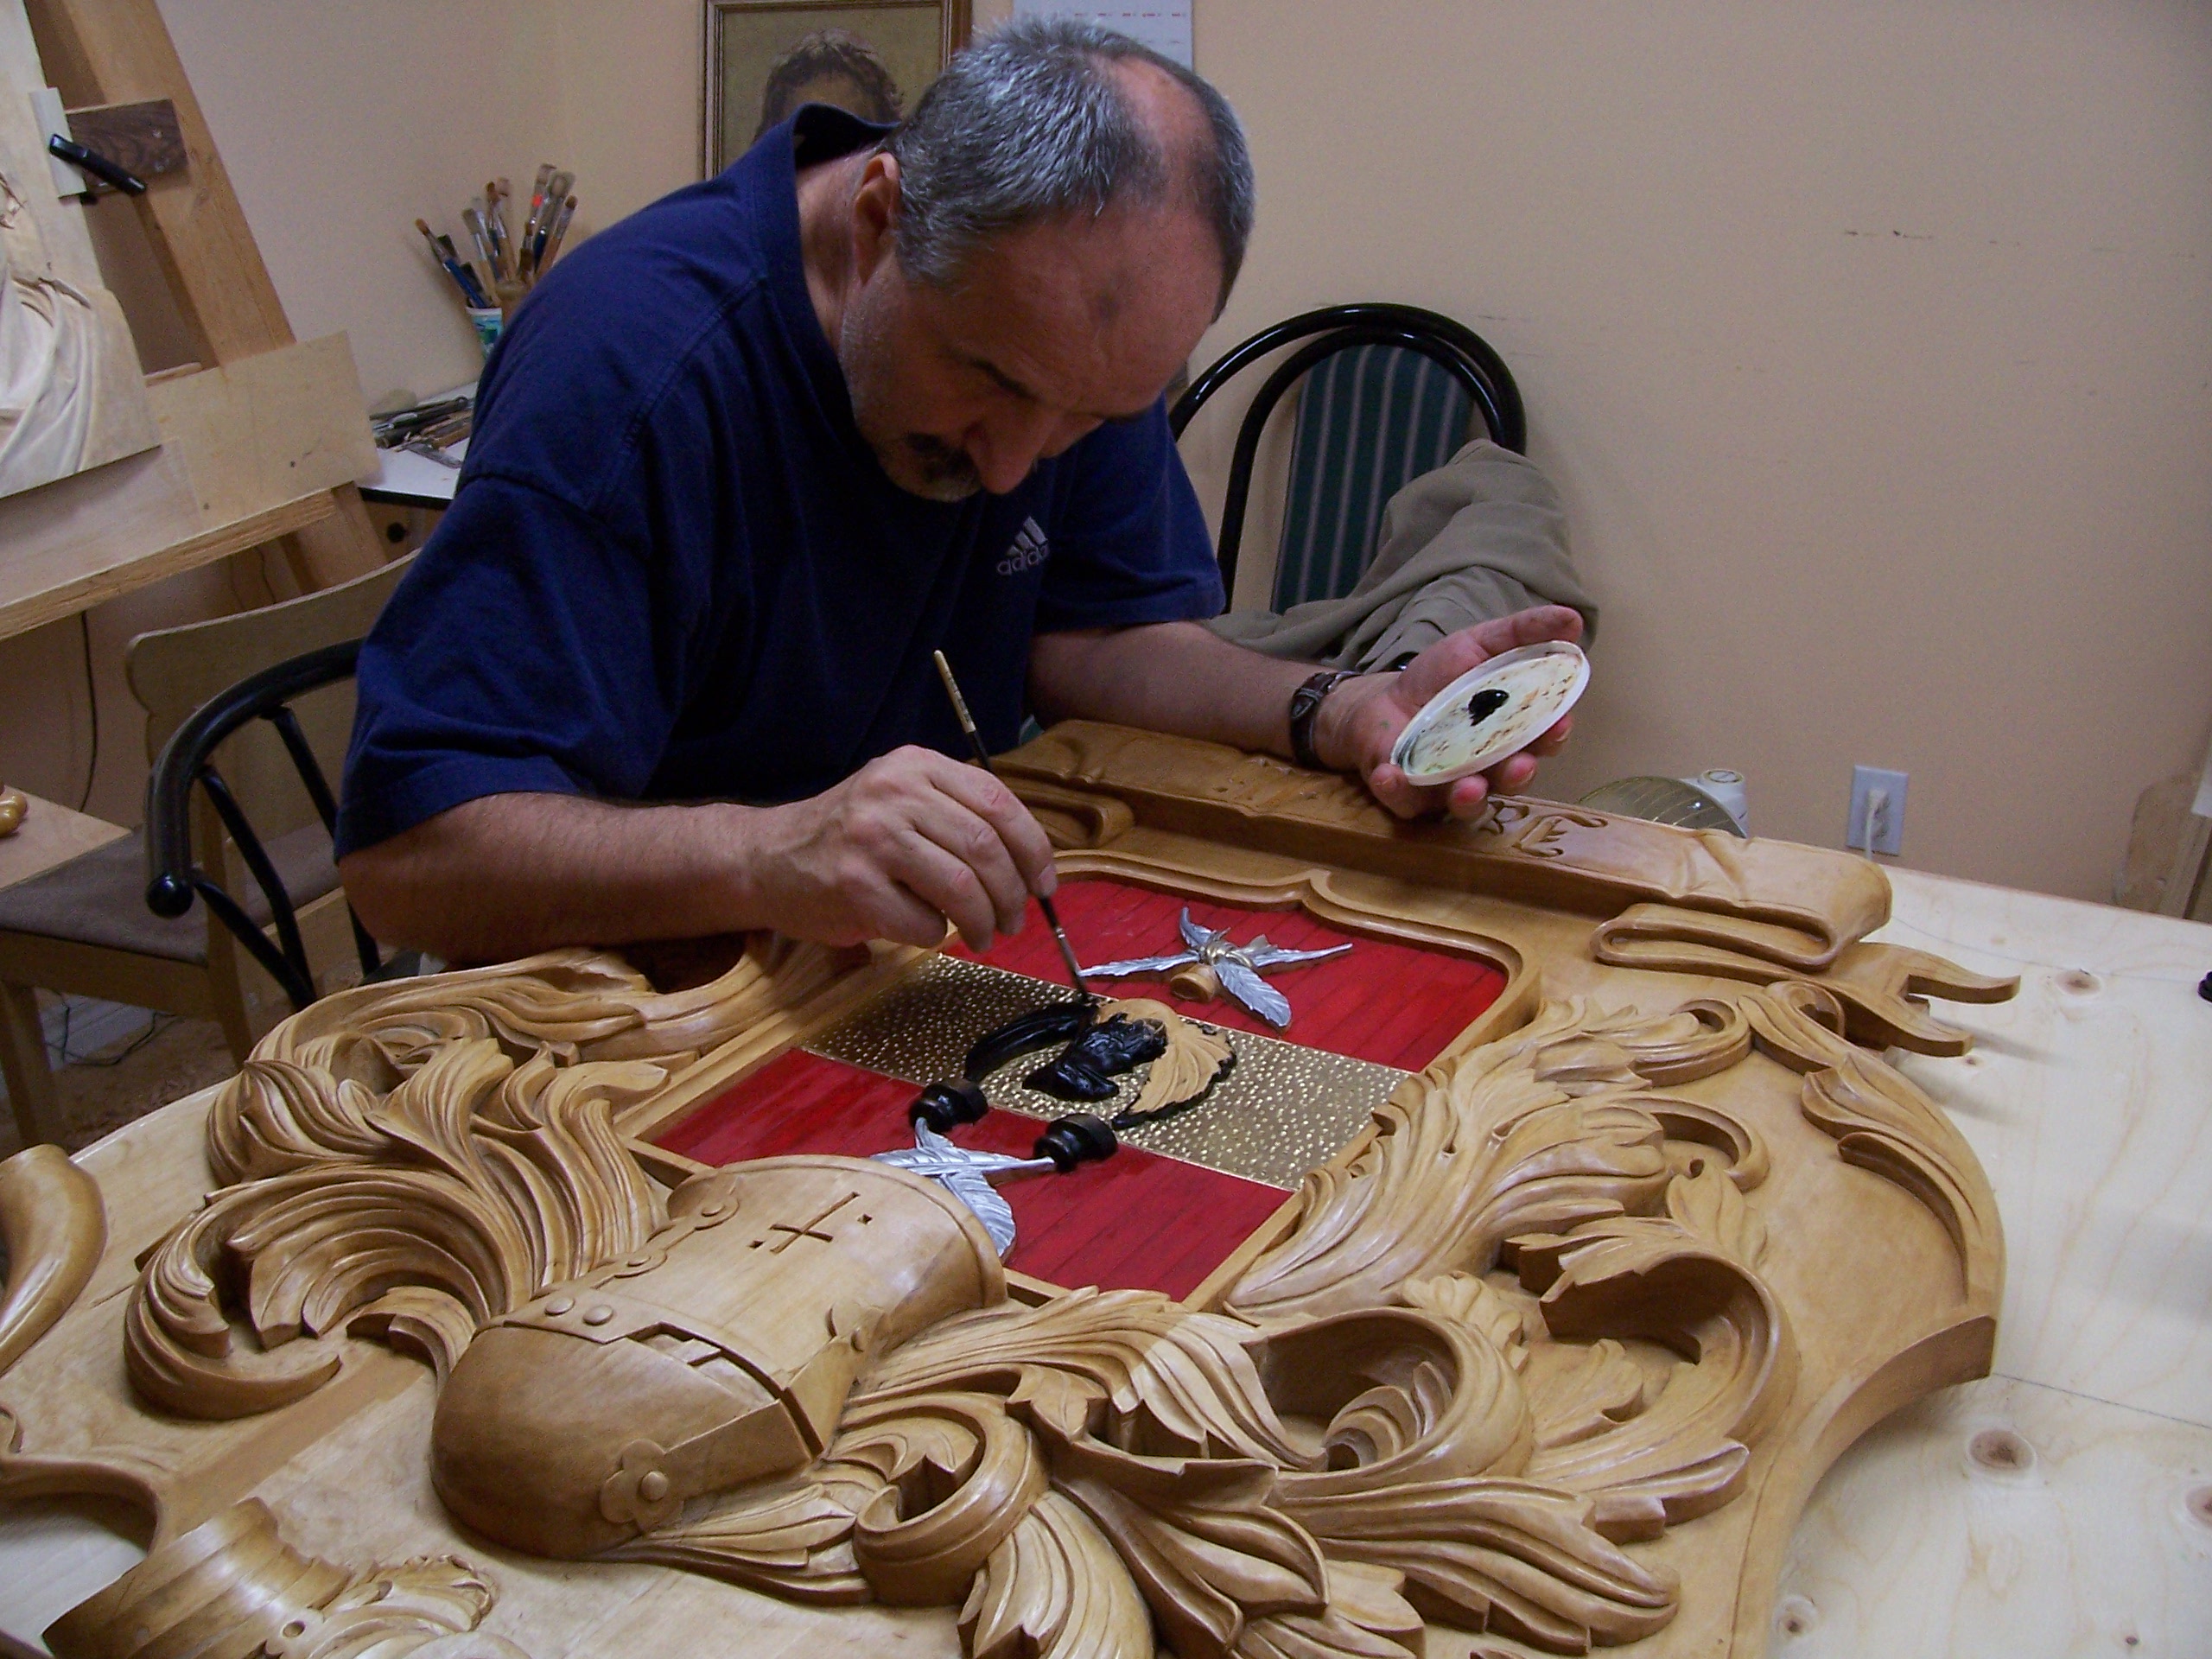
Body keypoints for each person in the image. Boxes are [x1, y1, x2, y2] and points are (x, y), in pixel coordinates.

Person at [336, 20, 1579, 967]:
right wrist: (765, 854)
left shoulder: (1060, 340)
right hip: (641, 1007)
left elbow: (1091, 635)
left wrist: (1340, 710)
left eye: (1086, 420)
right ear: (880, 218)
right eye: (987, 383)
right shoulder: (628, 378)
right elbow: (410, 863)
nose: (1009, 466)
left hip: (886, 967)